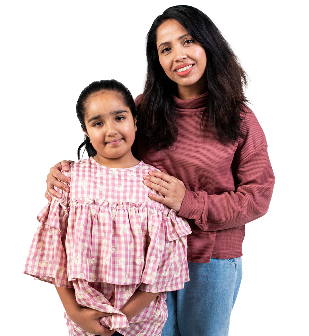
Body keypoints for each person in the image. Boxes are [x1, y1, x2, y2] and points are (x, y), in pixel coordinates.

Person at [45, 5, 275, 336]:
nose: (178, 56)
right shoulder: (142, 109)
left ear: (208, 44)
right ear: (157, 60)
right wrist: (67, 171)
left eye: (188, 41)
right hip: (143, 260)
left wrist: (190, 202)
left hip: (209, 262)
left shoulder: (239, 119)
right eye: (165, 49)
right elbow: (111, 155)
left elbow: (257, 198)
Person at [23, 79, 191, 336]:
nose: (111, 130)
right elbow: (56, 258)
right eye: (98, 123)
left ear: (135, 121)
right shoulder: (70, 180)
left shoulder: (157, 184)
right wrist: (78, 315)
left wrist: (122, 317)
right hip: (84, 320)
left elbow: (165, 267)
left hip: (141, 322)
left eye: (119, 118)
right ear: (86, 131)